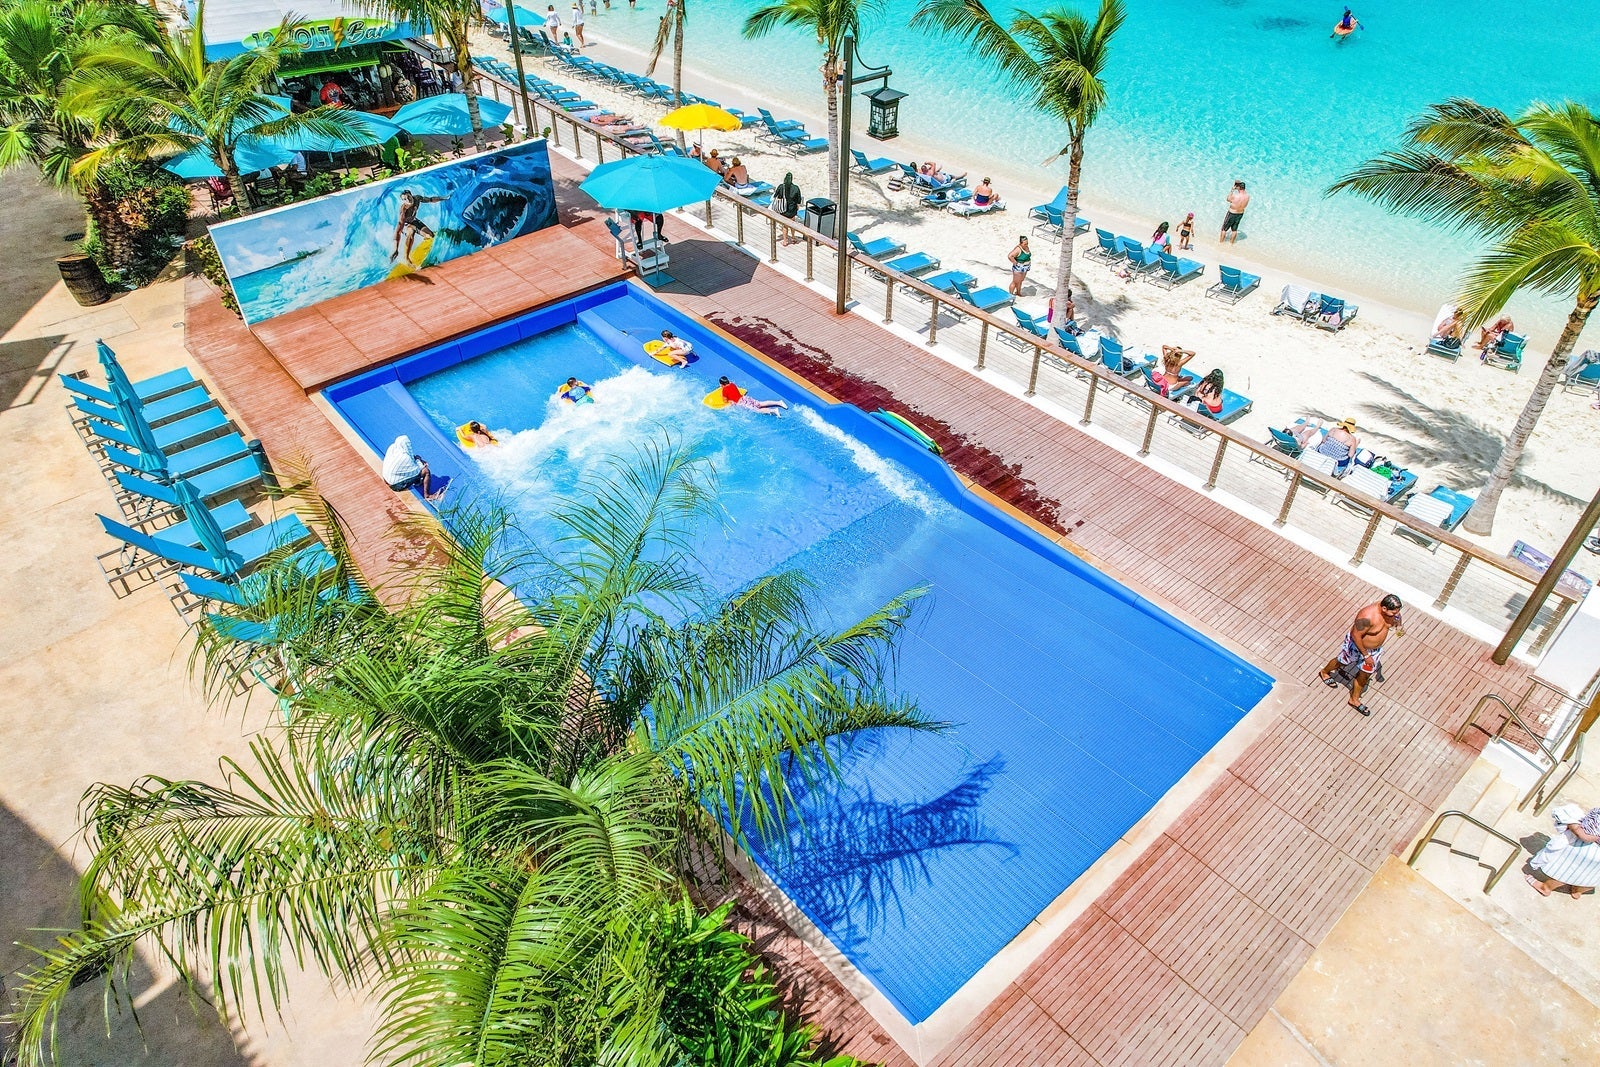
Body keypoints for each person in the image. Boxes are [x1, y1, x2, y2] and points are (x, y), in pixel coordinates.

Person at [1320, 594, 1404, 715]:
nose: (1396, 614)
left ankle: (1354, 699)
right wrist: (1366, 655)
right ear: (1384, 608)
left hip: (1374, 650)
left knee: (1365, 674)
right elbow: (1355, 635)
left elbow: (1396, 617)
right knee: (1341, 662)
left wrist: (1398, 623)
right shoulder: (1367, 616)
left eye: (1398, 611)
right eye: (1393, 613)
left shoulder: (1392, 612)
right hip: (1356, 646)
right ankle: (1324, 672)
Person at [1526, 805, 1600, 898]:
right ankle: (1577, 890)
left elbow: (1585, 836)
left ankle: (1545, 888)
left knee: (1568, 871)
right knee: (1591, 876)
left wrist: (1572, 825)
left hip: (1590, 851)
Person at [381, 435, 444, 500]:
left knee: (414, 462)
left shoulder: (392, 448)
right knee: (426, 471)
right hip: (395, 485)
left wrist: (418, 459)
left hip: (386, 478)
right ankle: (427, 495)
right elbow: (416, 471)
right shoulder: (405, 458)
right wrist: (422, 463)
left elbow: (410, 458)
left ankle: (417, 481)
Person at [391, 188, 446, 262]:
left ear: (411, 195)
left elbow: (430, 199)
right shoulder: (403, 210)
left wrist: (443, 198)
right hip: (406, 225)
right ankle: (406, 258)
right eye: (405, 199)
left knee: (430, 235)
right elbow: (398, 231)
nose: (408, 200)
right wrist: (396, 249)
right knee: (411, 231)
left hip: (414, 221)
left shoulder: (417, 198)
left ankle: (424, 249)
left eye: (408, 197)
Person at [718, 376, 787, 415]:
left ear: (722, 384)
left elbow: (725, 401)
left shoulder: (724, 390)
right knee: (760, 403)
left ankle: (774, 410)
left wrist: (726, 397)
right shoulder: (732, 384)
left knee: (757, 410)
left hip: (741, 403)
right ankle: (779, 402)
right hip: (745, 398)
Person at [773, 172, 801, 245]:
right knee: (792, 223)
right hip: (792, 209)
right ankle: (793, 238)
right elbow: (798, 201)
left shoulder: (781, 187)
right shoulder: (796, 188)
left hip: (783, 209)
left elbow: (775, 196)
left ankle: (785, 241)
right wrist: (797, 208)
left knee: (785, 226)